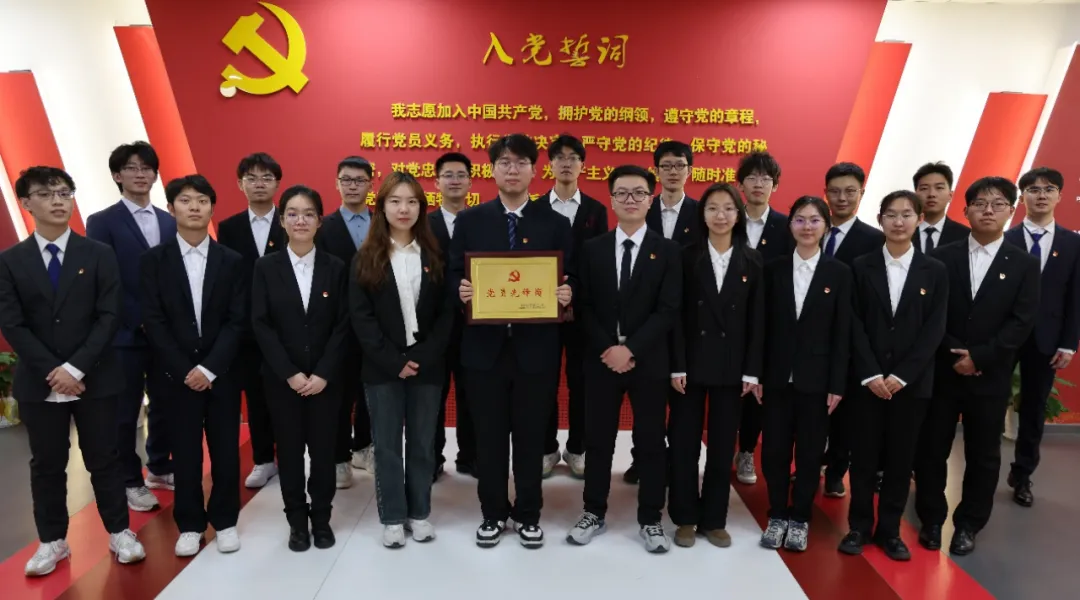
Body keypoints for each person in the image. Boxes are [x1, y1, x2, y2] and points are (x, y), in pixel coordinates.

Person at [0, 167, 146, 575]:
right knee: (47, 464)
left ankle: (119, 532)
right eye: (47, 194)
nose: (58, 201)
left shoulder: (97, 253)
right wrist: (54, 370)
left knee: (105, 458)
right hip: (40, 381)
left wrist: (76, 367)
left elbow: (109, 315)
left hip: (95, 376)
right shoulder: (10, 262)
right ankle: (53, 541)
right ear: (26, 203)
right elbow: (12, 323)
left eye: (65, 193)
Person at [449, 134, 574, 548]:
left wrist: (567, 292)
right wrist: (460, 290)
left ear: (534, 171)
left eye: (521, 162)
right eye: (504, 162)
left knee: (530, 437)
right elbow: (452, 273)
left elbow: (573, 276)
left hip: (535, 351)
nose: (512, 169)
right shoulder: (470, 221)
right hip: (483, 351)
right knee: (487, 438)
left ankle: (528, 514)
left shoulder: (555, 223)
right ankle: (492, 513)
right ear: (492, 170)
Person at [914, 176, 1039, 556]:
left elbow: (1021, 322)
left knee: (983, 455)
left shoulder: (1023, 264)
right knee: (931, 449)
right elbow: (930, 314)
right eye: (980, 203)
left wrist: (980, 357)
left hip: (989, 376)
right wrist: (956, 355)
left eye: (998, 204)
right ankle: (931, 519)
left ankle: (969, 524)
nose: (988, 210)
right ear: (965, 209)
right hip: (944, 372)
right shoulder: (941, 257)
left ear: (1011, 211)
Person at [566, 165, 681, 553]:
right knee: (598, 440)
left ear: (651, 200)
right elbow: (583, 306)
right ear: (612, 199)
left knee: (650, 442)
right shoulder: (593, 248)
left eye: (638, 193)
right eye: (622, 193)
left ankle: (650, 518)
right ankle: (593, 512)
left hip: (648, 361)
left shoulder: (668, 251)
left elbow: (668, 309)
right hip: (601, 359)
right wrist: (609, 349)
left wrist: (630, 350)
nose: (630, 200)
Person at [140, 175, 247, 557]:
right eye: (186, 201)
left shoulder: (231, 261)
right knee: (185, 453)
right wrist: (186, 368)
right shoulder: (153, 261)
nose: (195, 207)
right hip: (175, 376)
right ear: (171, 209)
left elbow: (237, 320)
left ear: (212, 208)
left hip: (222, 375)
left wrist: (210, 368)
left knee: (225, 452)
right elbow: (153, 320)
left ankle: (226, 521)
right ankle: (189, 524)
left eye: (202, 200)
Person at [839, 191, 947, 561]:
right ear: (880, 219)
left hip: (910, 386)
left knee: (901, 461)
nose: (898, 222)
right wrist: (871, 373)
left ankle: (890, 531)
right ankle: (858, 526)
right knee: (863, 458)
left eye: (906, 214)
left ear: (919, 219)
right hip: (867, 383)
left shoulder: (935, 270)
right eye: (891, 215)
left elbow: (934, 329)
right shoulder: (861, 266)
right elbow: (852, 323)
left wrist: (902, 376)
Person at [350, 172, 455, 548]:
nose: (403, 209)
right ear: (382, 207)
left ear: (421, 208)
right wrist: (395, 361)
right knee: (387, 446)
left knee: (423, 444)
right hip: (382, 368)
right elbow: (361, 319)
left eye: (411, 201)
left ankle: (420, 513)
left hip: (427, 367)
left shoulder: (435, 255)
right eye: (395, 201)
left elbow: (446, 315)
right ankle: (393, 517)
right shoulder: (366, 257)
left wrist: (421, 357)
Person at [251, 185, 350, 552]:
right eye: (292, 213)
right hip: (283, 381)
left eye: (309, 214)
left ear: (320, 221)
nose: (301, 220)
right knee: (290, 454)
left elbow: (344, 325)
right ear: (282, 221)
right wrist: (290, 373)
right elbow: (261, 324)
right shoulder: (266, 267)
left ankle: (321, 518)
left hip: (326, 381)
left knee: (324, 454)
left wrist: (323, 373)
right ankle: (296, 521)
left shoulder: (336, 267)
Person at [667, 183, 764, 548]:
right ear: (702, 214)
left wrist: (752, 371)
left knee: (723, 447)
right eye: (712, 208)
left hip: (732, 367)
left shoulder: (752, 261)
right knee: (683, 444)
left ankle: (714, 519)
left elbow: (758, 322)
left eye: (728, 209)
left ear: (738, 215)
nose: (720, 215)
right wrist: (676, 365)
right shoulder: (684, 256)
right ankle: (685, 517)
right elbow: (675, 316)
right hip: (689, 367)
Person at [85, 141, 176, 512]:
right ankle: (129, 479)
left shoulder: (169, 220)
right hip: (124, 334)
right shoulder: (102, 221)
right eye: (132, 168)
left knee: (165, 404)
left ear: (155, 175)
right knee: (125, 411)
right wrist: (134, 319)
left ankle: (159, 466)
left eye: (147, 168)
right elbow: (103, 280)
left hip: (165, 334)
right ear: (117, 175)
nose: (141, 174)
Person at [759, 196, 851, 553]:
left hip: (818, 381)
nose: (807, 226)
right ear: (790, 226)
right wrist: (757, 374)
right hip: (776, 378)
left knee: (811, 454)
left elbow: (842, 333)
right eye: (800, 219)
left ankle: (800, 518)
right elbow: (761, 327)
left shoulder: (839, 273)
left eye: (814, 220)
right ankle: (777, 514)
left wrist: (837, 383)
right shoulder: (773, 269)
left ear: (826, 226)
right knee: (775, 452)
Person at [1004, 167, 1080, 507]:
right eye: (1033, 189)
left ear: (1060, 196)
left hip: (1047, 340)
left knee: (1034, 410)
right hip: (1005, 338)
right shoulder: (1005, 240)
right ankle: (983, 475)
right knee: (989, 404)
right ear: (1022, 197)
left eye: (1049, 189)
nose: (1041, 195)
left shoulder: (1073, 243)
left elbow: (1075, 297)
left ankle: (1022, 475)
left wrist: (1069, 343)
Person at [534, 134, 609, 479]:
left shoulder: (596, 210)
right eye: (560, 157)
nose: (566, 163)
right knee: (543, 380)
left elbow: (600, 262)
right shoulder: (535, 208)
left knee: (582, 382)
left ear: (583, 165)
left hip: (583, 312)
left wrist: (576, 292)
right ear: (549, 164)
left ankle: (577, 448)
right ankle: (547, 448)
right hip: (541, 310)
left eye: (573, 157)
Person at [627, 140, 698, 483]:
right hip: (648, 318)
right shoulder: (642, 208)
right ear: (656, 171)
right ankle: (642, 460)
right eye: (666, 166)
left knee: (683, 398)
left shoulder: (701, 212)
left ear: (689, 171)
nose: (672, 172)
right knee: (647, 400)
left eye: (679, 165)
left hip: (690, 317)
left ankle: (675, 462)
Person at [217, 153, 287, 490]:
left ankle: (291, 456)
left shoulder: (291, 221)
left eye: (266, 177)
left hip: (287, 328)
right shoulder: (229, 228)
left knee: (288, 396)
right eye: (252, 178)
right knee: (256, 397)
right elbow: (228, 280)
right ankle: (263, 459)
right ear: (239, 184)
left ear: (277, 183)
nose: (259, 184)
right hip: (247, 331)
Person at [820, 162, 884, 499]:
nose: (842, 198)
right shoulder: (811, 227)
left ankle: (835, 471)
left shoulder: (875, 239)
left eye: (850, 191)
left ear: (861, 193)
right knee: (812, 409)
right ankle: (809, 464)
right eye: (835, 191)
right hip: (813, 337)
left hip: (851, 337)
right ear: (826, 193)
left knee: (844, 413)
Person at [733, 150, 794, 486]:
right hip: (728, 321)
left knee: (756, 391)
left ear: (775, 185)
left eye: (766, 178)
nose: (759, 183)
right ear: (740, 184)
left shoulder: (787, 226)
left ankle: (746, 450)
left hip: (769, 323)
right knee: (728, 389)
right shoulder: (727, 218)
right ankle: (723, 447)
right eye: (752, 177)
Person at [316, 156, 376, 488]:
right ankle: (339, 457)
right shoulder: (323, 226)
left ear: (370, 184)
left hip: (377, 325)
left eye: (359, 180)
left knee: (372, 392)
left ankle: (365, 448)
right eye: (346, 180)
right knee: (338, 395)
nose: (353, 186)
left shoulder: (384, 223)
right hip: (337, 325)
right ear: (336, 184)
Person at [430, 152, 476, 478]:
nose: (455, 181)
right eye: (448, 175)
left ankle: (470, 456)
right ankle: (432, 458)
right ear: (437, 182)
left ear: (470, 182)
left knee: (472, 394)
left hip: (474, 325)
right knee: (433, 395)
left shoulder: (482, 221)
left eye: (461, 175)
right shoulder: (422, 224)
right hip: (433, 326)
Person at [912, 162, 970, 253]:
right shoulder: (902, 232)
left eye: (939, 188)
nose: (931, 194)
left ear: (950, 195)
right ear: (915, 196)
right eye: (924, 188)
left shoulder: (967, 236)